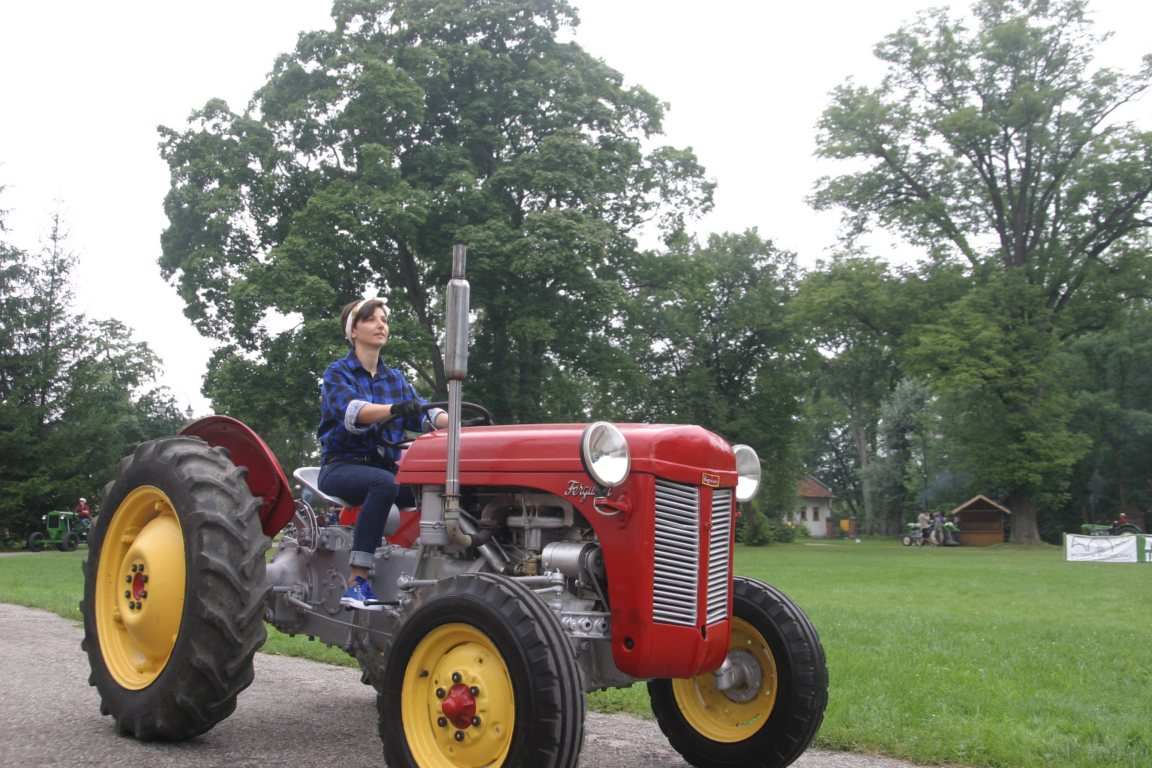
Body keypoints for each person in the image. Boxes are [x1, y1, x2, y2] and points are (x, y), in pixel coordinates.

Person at [317, 297, 448, 611]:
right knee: (384, 484)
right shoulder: (338, 373)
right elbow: (354, 411)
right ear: (353, 331)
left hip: (384, 469)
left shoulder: (395, 378)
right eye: (371, 319)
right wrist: (394, 409)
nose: (381, 325)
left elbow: (424, 413)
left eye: (384, 320)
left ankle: (434, 567)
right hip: (341, 467)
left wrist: (454, 420)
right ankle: (357, 581)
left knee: (437, 487)